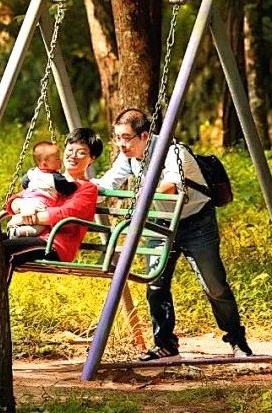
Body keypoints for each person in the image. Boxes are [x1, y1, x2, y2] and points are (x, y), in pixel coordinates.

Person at [95, 108, 253, 361]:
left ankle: (237, 339)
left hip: (195, 222)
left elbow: (170, 186)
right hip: (160, 222)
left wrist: (139, 199)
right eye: (117, 138)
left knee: (213, 284)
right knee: (155, 283)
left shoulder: (174, 152)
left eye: (126, 137)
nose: (121, 144)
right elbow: (108, 182)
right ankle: (165, 344)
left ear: (145, 135)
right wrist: (78, 187)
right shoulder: (128, 157)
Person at [2, 128, 102, 274]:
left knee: (4, 250)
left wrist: (27, 216)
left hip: (54, 244)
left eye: (81, 152)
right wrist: (23, 205)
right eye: (70, 150)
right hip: (29, 234)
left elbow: (65, 214)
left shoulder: (87, 189)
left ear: (91, 158)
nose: (73, 156)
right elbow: (15, 201)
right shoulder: (48, 178)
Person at [8, 141, 78, 238]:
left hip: (25, 200)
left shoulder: (31, 172)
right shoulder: (55, 178)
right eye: (57, 159)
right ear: (45, 164)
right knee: (39, 228)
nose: (61, 161)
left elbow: (25, 183)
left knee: (22, 213)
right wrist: (75, 183)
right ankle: (18, 232)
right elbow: (70, 189)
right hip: (40, 204)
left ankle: (12, 225)